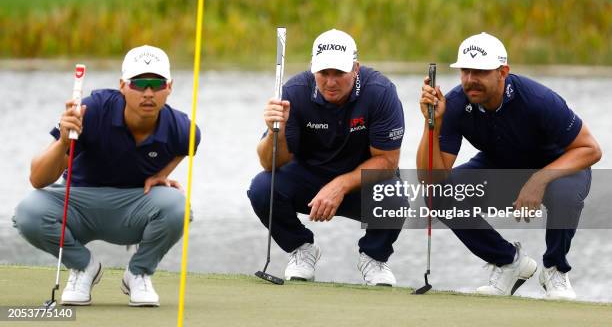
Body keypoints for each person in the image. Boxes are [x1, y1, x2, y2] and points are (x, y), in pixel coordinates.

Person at [417, 32, 601, 299]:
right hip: (503, 165)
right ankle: (509, 263)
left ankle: (554, 269)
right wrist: (431, 122)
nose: (470, 80)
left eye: (480, 71)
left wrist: (539, 180)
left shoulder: (538, 100)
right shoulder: (455, 104)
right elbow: (431, 178)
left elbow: (590, 149)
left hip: (560, 165)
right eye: (465, 71)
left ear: (503, 72)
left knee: (563, 194)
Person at [13, 45, 201, 307]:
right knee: (28, 212)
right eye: (139, 84)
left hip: (131, 209)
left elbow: (187, 146)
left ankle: (138, 273)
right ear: (122, 85)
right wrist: (63, 143)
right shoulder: (91, 111)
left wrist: (162, 174)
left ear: (169, 87)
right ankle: (83, 267)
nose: (148, 93)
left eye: (156, 84)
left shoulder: (181, 127)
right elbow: (37, 179)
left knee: (177, 204)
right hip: (77, 204)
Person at [248, 28, 406, 286]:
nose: (330, 82)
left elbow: (388, 162)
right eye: (324, 73)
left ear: (356, 68)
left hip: (361, 183)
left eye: (339, 73)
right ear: (313, 68)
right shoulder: (294, 92)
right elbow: (269, 163)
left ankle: (373, 257)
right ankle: (301, 249)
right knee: (262, 187)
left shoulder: (380, 92)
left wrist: (339, 185)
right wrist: (278, 131)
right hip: (308, 180)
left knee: (394, 194)